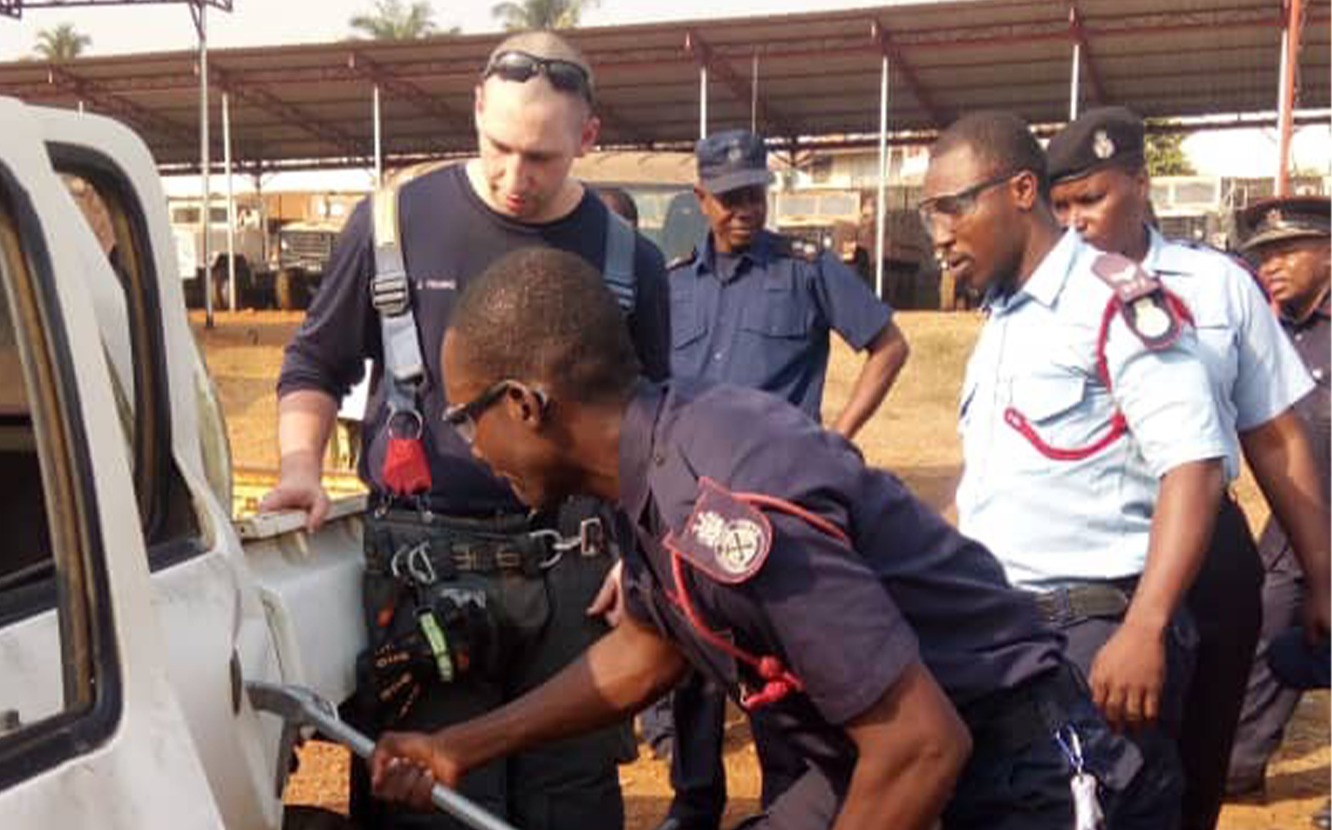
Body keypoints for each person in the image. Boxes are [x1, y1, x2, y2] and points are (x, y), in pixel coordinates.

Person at [368, 245, 1177, 829]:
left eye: (466, 418)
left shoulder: (722, 501)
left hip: (1022, 775)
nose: (468, 447)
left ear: (524, 404)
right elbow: (648, 649)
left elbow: (922, 746)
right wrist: (460, 746)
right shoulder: (646, 465)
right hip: (874, 759)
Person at [261, 30, 671, 830]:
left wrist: (641, 544)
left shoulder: (632, 259)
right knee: (431, 803)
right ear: (477, 107)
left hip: (576, 582)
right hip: (424, 576)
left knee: (570, 802)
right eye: (500, 146)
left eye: (544, 158)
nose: (516, 178)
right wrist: (300, 463)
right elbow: (315, 365)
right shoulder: (392, 224)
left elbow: (655, 420)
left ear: (589, 138)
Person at [925, 111, 1232, 828]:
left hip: (1099, 641)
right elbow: (998, 487)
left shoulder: (1114, 299)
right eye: (928, 213)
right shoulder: (1006, 321)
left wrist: (1146, 628)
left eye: (953, 208)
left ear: (1021, 189)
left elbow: (1195, 465)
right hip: (1013, 637)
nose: (938, 235)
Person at [1045, 108, 1330, 830]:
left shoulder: (1217, 285)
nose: (1076, 221)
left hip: (1211, 559)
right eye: (1062, 206)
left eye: (1093, 199)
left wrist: (1323, 577)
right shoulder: (1037, 300)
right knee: (1091, 776)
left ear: (1141, 186)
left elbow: (1275, 438)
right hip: (1096, 563)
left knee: (1201, 766)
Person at [658, 128, 910, 830]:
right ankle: (694, 801)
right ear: (702, 198)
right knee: (693, 660)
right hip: (689, 499)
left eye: (756, 193)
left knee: (778, 663)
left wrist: (835, 439)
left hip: (775, 507)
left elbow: (890, 345)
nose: (746, 208)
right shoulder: (673, 282)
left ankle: (784, 802)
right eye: (731, 196)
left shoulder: (807, 270)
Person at [1227, 195, 1332, 803]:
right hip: (1297, 530)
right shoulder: (1273, 335)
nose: (1271, 264)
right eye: (1263, 255)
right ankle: (1236, 776)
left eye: (1287, 250)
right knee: (1262, 638)